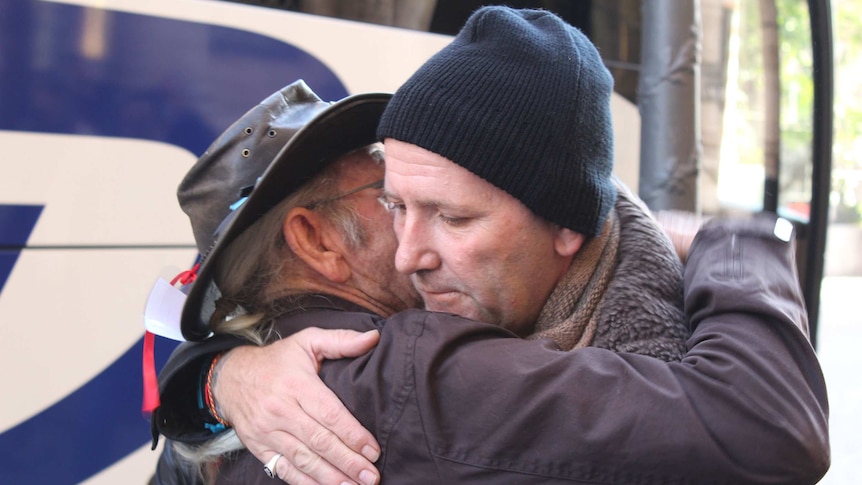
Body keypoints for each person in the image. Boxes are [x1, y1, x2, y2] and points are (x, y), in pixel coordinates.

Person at [152, 7, 829, 485]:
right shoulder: (405, 369)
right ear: (313, 239)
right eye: (394, 203)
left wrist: (213, 376)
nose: (411, 251)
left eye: (446, 213)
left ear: (567, 227)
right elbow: (768, 422)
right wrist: (740, 241)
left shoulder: (260, 359)